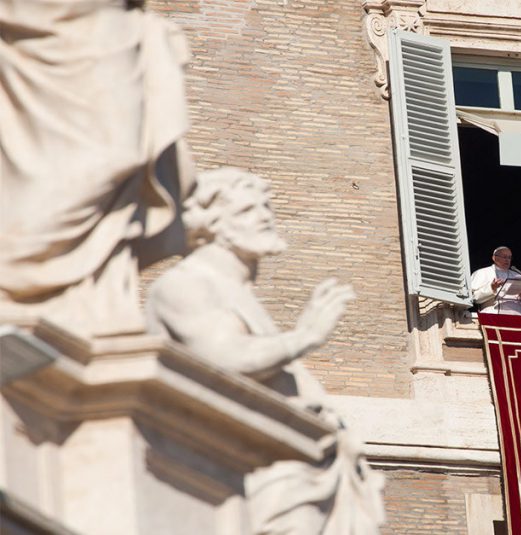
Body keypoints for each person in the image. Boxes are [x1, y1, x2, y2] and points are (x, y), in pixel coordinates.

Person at [146, 168, 385, 535]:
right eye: (246, 210)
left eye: (265, 206)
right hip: (256, 467)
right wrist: (304, 336)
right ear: (210, 224)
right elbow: (226, 358)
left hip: (296, 463)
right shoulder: (185, 284)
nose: (264, 215)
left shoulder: (236, 291)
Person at [0, 0, 194, 337]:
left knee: (123, 155)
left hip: (108, 25)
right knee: (108, 157)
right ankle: (21, 275)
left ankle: (64, 287)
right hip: (51, 24)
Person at [470, 246, 521, 315]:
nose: (507, 260)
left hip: (517, 316)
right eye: (504, 257)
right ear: (494, 258)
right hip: (492, 314)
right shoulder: (482, 272)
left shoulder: (518, 275)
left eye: (509, 257)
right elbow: (475, 298)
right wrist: (492, 288)